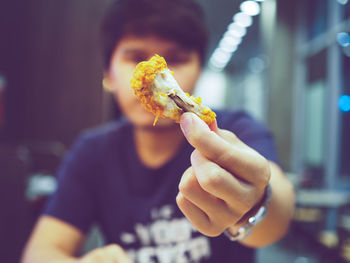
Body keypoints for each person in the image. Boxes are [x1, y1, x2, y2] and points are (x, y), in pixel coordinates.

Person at [21, 0, 295, 262]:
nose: (156, 77)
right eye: (135, 57)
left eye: (176, 59)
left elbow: (280, 214)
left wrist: (257, 200)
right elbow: (39, 253)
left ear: (200, 69)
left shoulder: (234, 128)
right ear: (108, 72)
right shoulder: (93, 152)